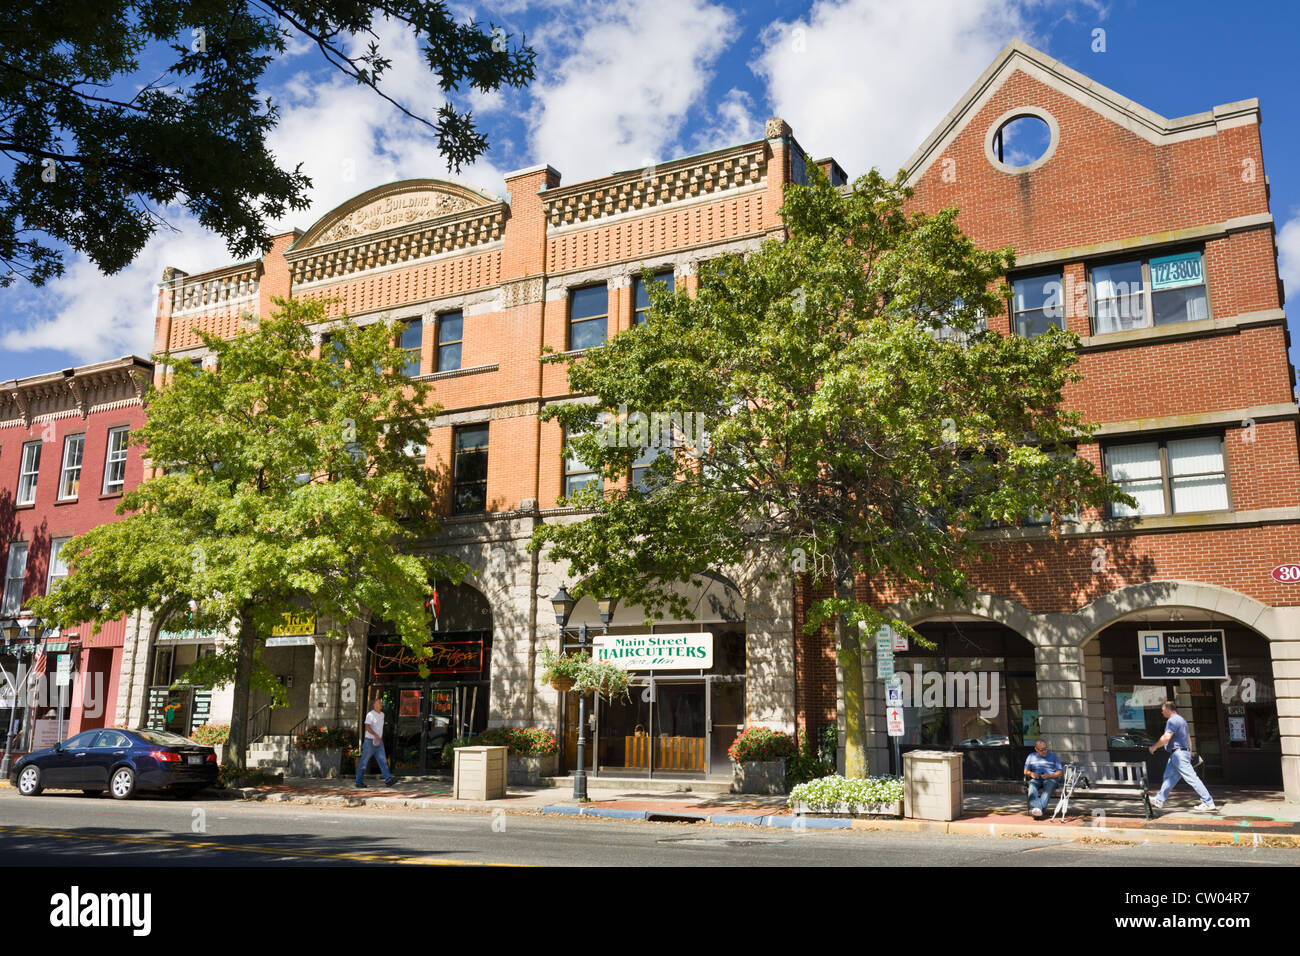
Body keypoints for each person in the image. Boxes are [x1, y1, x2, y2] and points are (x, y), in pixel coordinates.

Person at [1149, 700, 1216, 812]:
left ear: (1167, 709)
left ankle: (1208, 802)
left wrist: (1154, 747)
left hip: (1178, 754)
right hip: (1179, 754)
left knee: (1192, 778)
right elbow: (1188, 737)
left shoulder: (1172, 721)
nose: (1162, 713)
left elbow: (1166, 737)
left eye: (1162, 710)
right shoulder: (1182, 720)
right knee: (1169, 777)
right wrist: (1189, 751)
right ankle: (1159, 800)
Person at [356, 697, 395, 788]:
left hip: (379, 742)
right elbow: (367, 727)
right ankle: (358, 782)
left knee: (383, 761)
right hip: (369, 741)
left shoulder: (382, 715)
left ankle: (388, 780)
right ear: (374, 705)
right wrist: (375, 734)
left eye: (381, 703)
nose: (381, 705)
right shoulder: (370, 715)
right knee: (364, 762)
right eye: (379, 703)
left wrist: (379, 737)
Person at [1023, 738, 1064, 818]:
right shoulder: (1031, 756)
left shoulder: (1053, 756)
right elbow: (1025, 771)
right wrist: (1031, 773)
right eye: (1042, 750)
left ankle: (1037, 809)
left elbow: (1059, 772)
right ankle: (1039, 809)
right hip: (1036, 778)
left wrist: (1049, 776)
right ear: (1036, 749)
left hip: (1050, 778)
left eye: (1045, 749)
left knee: (1047, 790)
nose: (1045, 751)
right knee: (1031, 787)